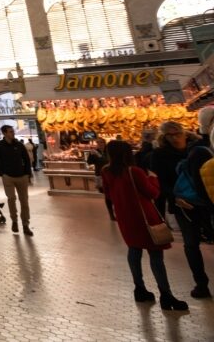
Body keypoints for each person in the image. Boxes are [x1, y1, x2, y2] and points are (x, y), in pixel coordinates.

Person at [102, 140, 188, 311]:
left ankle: (139, 289)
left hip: (126, 219)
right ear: (127, 154)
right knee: (156, 257)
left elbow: (108, 194)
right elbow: (153, 193)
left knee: (134, 250)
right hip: (145, 218)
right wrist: (153, 179)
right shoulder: (135, 171)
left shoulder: (106, 171)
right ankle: (166, 296)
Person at [150, 120, 209, 299]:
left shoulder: (199, 147)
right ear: (164, 137)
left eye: (178, 133)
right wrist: (175, 198)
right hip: (182, 205)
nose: (176, 138)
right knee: (191, 244)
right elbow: (160, 183)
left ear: (185, 133)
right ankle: (201, 284)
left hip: (206, 202)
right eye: (171, 135)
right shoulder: (159, 155)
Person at [0, 125, 34, 236]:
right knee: (11, 199)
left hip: (21, 177)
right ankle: (14, 221)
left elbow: (26, 160)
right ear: (4, 133)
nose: (13, 133)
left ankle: (25, 225)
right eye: (10, 131)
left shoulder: (19, 145)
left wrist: (27, 174)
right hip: (8, 177)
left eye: (12, 131)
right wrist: (2, 174)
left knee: (24, 201)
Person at [86, 138, 116, 221]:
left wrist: (99, 156)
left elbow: (107, 161)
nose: (99, 144)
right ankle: (111, 214)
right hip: (99, 175)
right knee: (107, 195)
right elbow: (89, 162)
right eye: (98, 143)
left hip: (110, 175)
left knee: (113, 193)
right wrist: (91, 155)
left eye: (101, 143)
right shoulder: (95, 152)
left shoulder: (109, 151)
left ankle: (115, 210)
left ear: (104, 143)